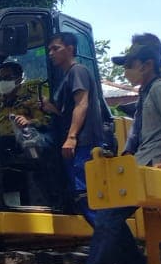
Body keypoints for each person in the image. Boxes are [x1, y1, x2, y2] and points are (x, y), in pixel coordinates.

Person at [58, 36, 161, 264]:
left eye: (129, 65)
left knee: (108, 214)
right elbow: (140, 134)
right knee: (108, 214)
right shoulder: (148, 89)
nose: (125, 71)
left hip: (153, 166)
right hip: (140, 164)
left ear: (146, 65)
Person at [15, 32, 106, 224]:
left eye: (56, 48)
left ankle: (112, 245)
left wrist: (72, 137)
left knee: (86, 197)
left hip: (83, 144)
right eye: (49, 50)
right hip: (74, 144)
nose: (51, 53)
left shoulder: (77, 71)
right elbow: (68, 111)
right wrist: (51, 109)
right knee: (81, 196)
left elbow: (82, 104)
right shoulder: (66, 78)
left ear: (70, 49)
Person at [0, 60, 47, 137]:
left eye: (7, 78)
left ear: (19, 80)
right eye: (0, 79)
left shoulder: (31, 97)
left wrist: (28, 122)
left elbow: (45, 122)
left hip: (25, 143)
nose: (2, 82)